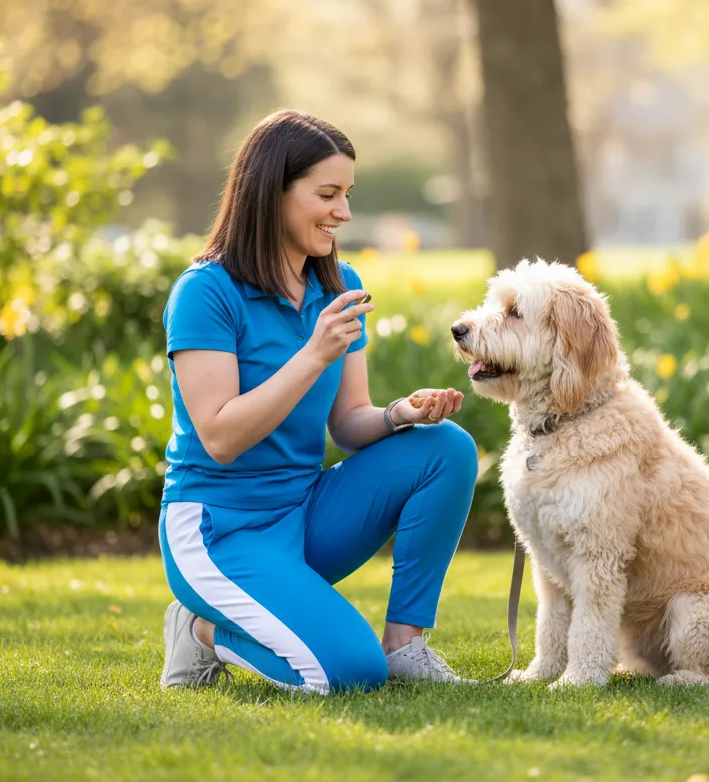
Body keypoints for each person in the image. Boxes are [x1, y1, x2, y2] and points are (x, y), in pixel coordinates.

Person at [157, 109, 478, 695]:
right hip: (218, 530)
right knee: (350, 674)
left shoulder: (338, 284)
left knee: (445, 449)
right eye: (327, 194)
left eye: (347, 194)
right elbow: (221, 437)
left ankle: (406, 644)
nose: (344, 212)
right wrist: (312, 354)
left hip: (304, 514)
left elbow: (349, 425)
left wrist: (399, 415)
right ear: (269, 193)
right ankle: (201, 631)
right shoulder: (205, 292)